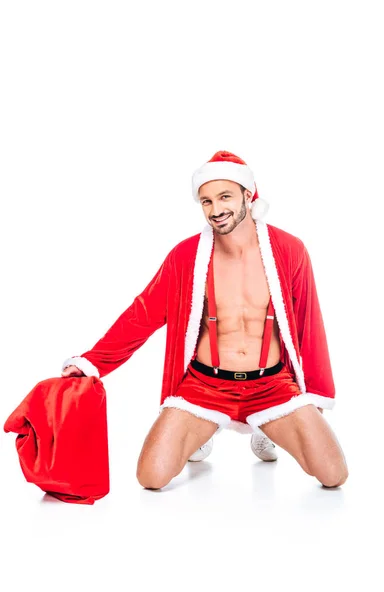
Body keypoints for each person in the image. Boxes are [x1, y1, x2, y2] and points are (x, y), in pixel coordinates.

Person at [61, 150, 348, 490]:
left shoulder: (288, 250)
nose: (215, 210)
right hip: (204, 386)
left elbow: (308, 324)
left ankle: (263, 428)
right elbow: (142, 314)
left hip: (271, 386)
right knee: (151, 477)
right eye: (206, 201)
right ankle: (203, 431)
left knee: (333, 475)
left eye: (225, 196)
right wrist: (92, 363)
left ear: (248, 193)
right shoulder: (187, 256)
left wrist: (315, 396)